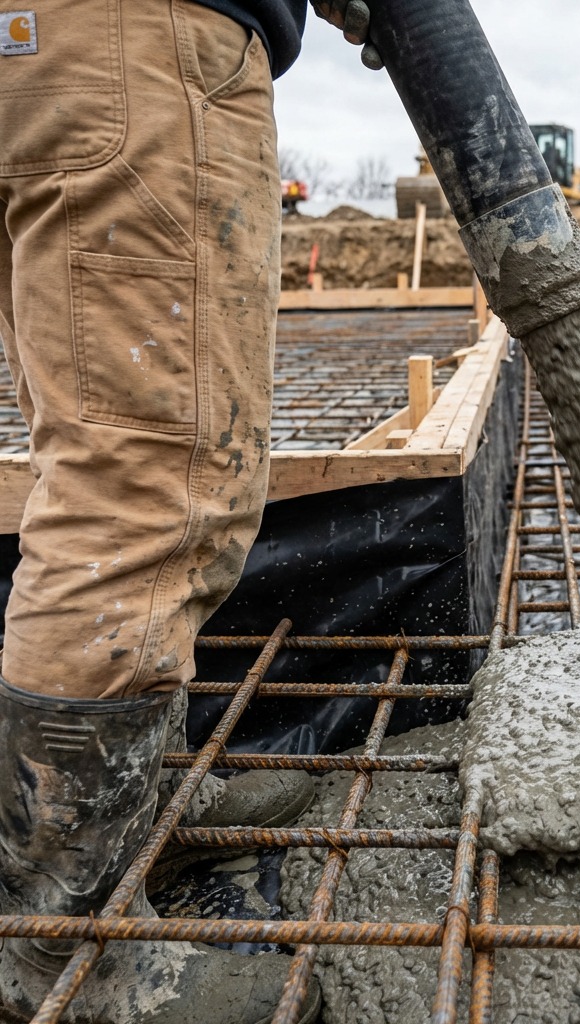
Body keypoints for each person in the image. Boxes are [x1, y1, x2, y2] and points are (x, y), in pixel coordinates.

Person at [0, 3, 378, 1021]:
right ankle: (62, 938)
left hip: (72, 46)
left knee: (95, 456)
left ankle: (115, 809)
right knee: (150, 493)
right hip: (140, 44)